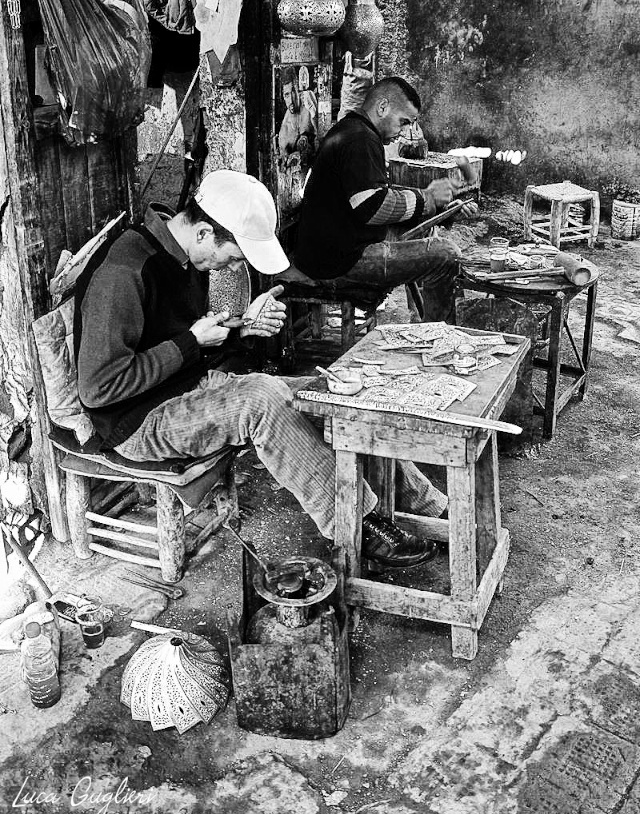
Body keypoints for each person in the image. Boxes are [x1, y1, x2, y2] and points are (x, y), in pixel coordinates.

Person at [74, 170, 447, 569]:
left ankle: (428, 509)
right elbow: (99, 388)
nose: (233, 269)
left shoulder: (183, 255)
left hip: (190, 385)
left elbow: (184, 340)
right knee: (262, 400)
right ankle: (361, 526)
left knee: (331, 390)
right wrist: (191, 343)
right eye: (233, 257)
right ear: (203, 233)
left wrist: (239, 330)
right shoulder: (122, 273)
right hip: (136, 420)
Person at [293, 74, 478, 321]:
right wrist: (426, 198)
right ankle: (436, 339)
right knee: (447, 255)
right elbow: (371, 207)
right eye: (403, 122)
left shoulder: (353, 131)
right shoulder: (360, 139)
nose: (404, 133)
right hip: (339, 263)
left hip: (334, 253)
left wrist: (439, 208)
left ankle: (424, 323)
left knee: (430, 236)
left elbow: (376, 196)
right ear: (382, 107)